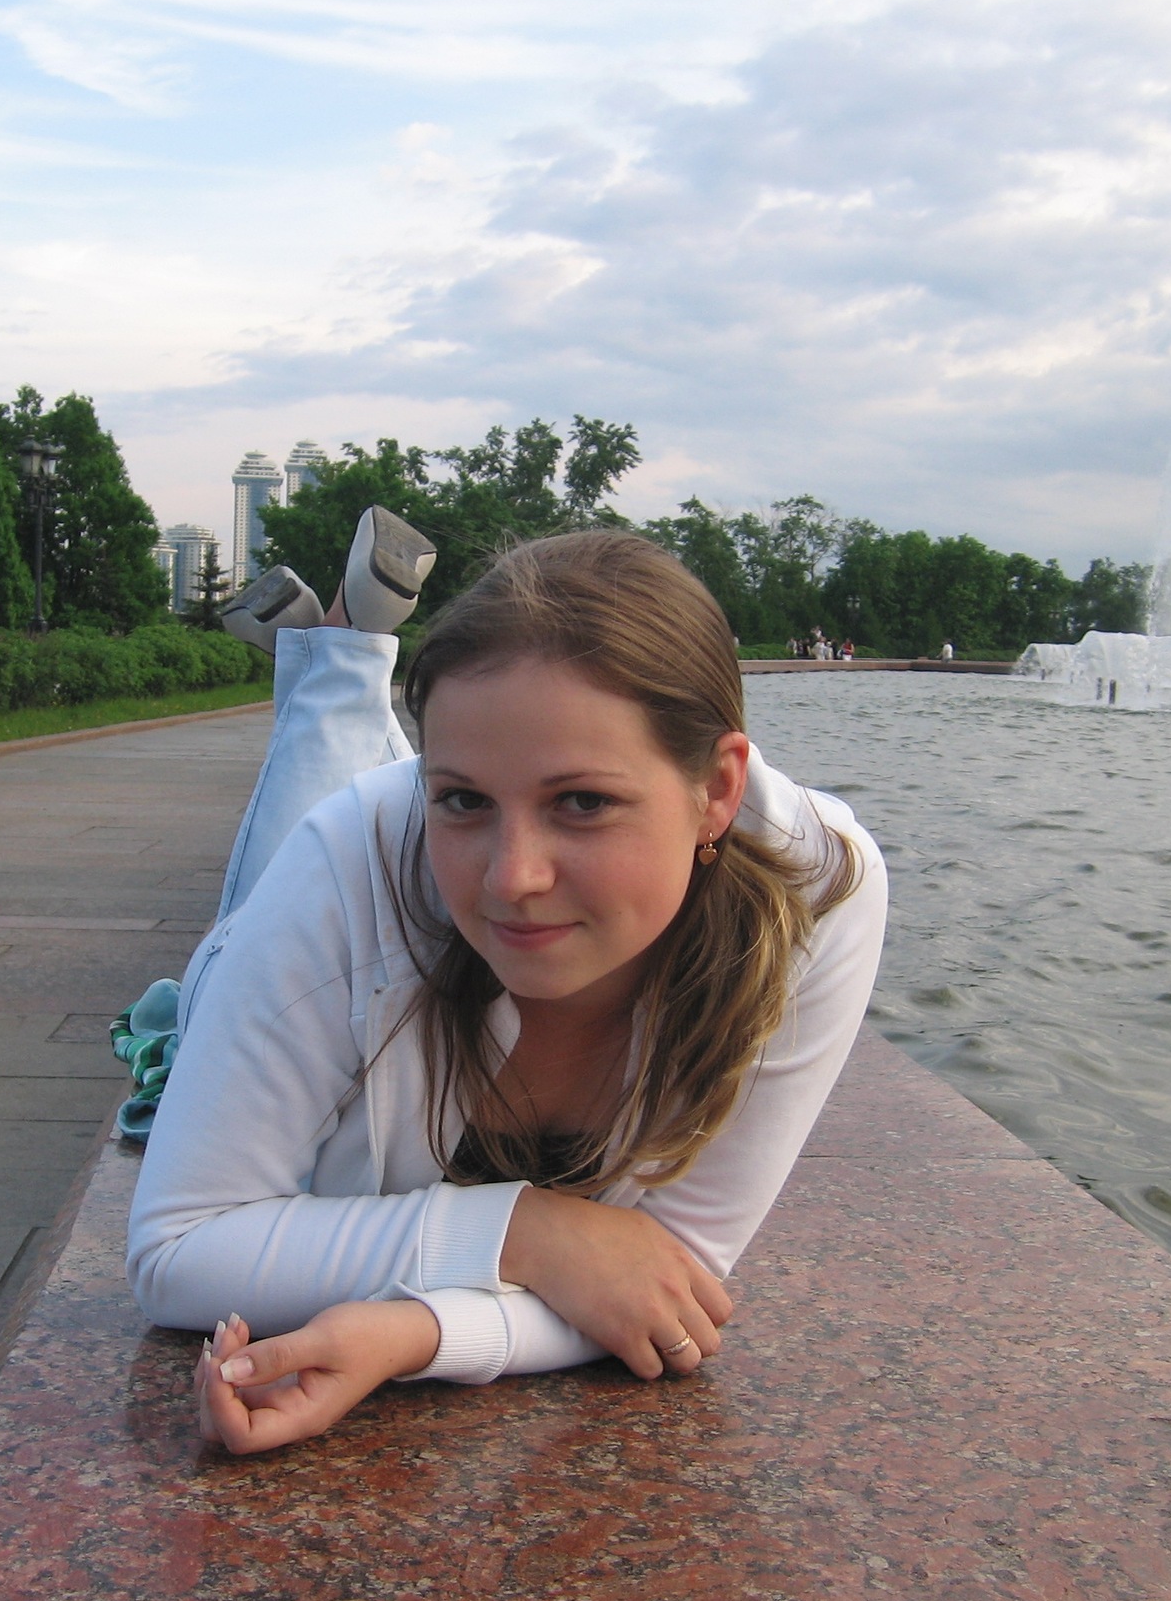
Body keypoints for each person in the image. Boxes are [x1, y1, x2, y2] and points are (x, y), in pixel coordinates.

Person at [134, 515, 886, 1454]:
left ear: (719, 790)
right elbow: (178, 1249)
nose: (511, 877)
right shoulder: (343, 861)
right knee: (313, 779)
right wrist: (526, 1232)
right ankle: (334, 660)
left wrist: (419, 1334)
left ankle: (336, 650)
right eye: (463, 799)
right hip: (276, 933)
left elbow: (668, 1284)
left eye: (583, 802)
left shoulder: (821, 892)